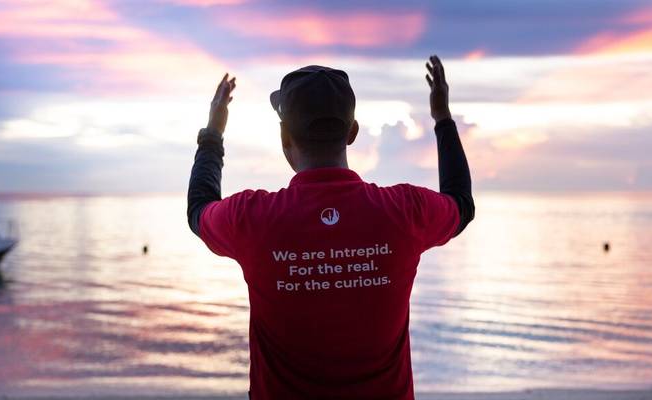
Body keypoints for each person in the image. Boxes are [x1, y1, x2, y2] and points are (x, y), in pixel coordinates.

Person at [187, 55, 474, 399]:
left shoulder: (251, 218)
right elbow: (461, 204)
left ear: (284, 136)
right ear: (352, 132)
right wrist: (442, 118)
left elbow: (199, 209)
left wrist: (213, 134)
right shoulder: (404, 211)